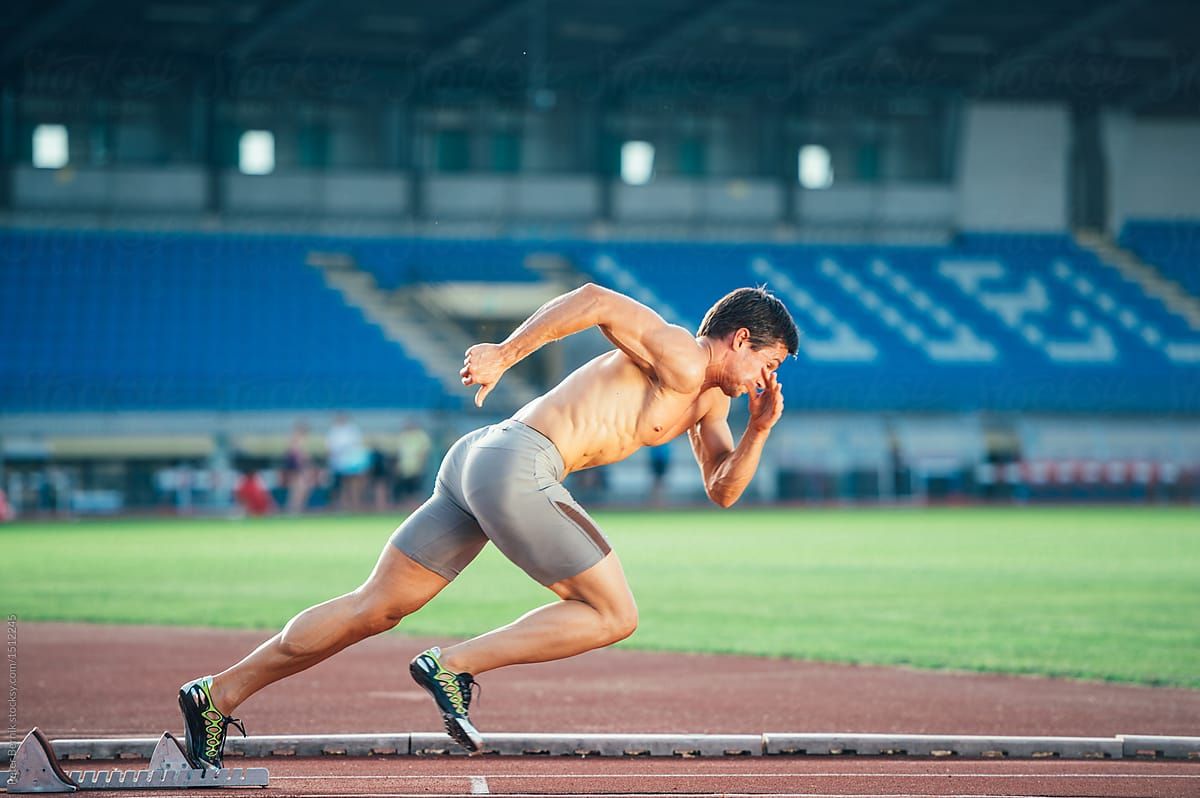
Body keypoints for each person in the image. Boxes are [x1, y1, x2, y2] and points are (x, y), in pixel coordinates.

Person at [177, 284, 797, 768]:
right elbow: (594, 300)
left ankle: (218, 694)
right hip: (517, 464)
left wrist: (760, 428)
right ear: (740, 339)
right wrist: (505, 354)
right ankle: (454, 665)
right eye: (769, 363)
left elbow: (722, 490)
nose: (766, 381)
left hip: (479, 460)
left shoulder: (710, 399)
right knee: (614, 614)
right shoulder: (683, 354)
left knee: (376, 606)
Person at [326, 413, 369, 512]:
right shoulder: (334, 431)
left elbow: (357, 447)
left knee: (354, 484)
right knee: (343, 486)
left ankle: (355, 504)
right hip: (338, 465)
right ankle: (344, 505)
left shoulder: (352, 430)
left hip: (352, 464)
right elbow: (331, 449)